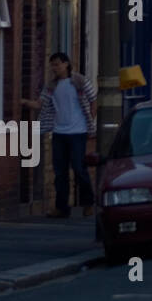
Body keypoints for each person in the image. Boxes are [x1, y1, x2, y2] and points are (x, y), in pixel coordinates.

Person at [22, 52, 97, 218]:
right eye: (52, 65)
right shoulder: (51, 86)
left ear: (66, 64)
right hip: (59, 132)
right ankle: (62, 208)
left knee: (78, 167)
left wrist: (90, 119)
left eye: (57, 64)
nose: (54, 68)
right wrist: (25, 102)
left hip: (78, 132)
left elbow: (93, 99)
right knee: (60, 172)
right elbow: (40, 104)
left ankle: (88, 203)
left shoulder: (79, 81)